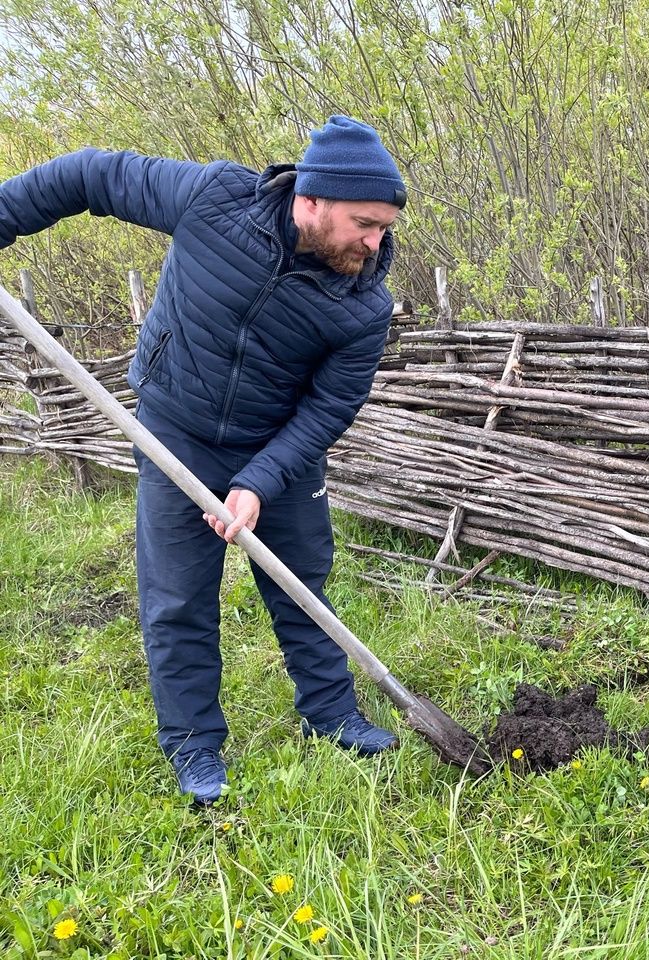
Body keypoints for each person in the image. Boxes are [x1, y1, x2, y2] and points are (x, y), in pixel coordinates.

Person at [0, 116, 408, 803]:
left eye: (385, 225)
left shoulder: (364, 304)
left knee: (303, 585)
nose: (377, 241)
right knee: (178, 599)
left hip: (279, 448)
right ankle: (194, 746)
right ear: (310, 200)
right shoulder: (215, 198)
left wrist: (259, 481)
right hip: (176, 432)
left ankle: (332, 715)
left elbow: (329, 409)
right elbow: (90, 173)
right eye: (364, 222)